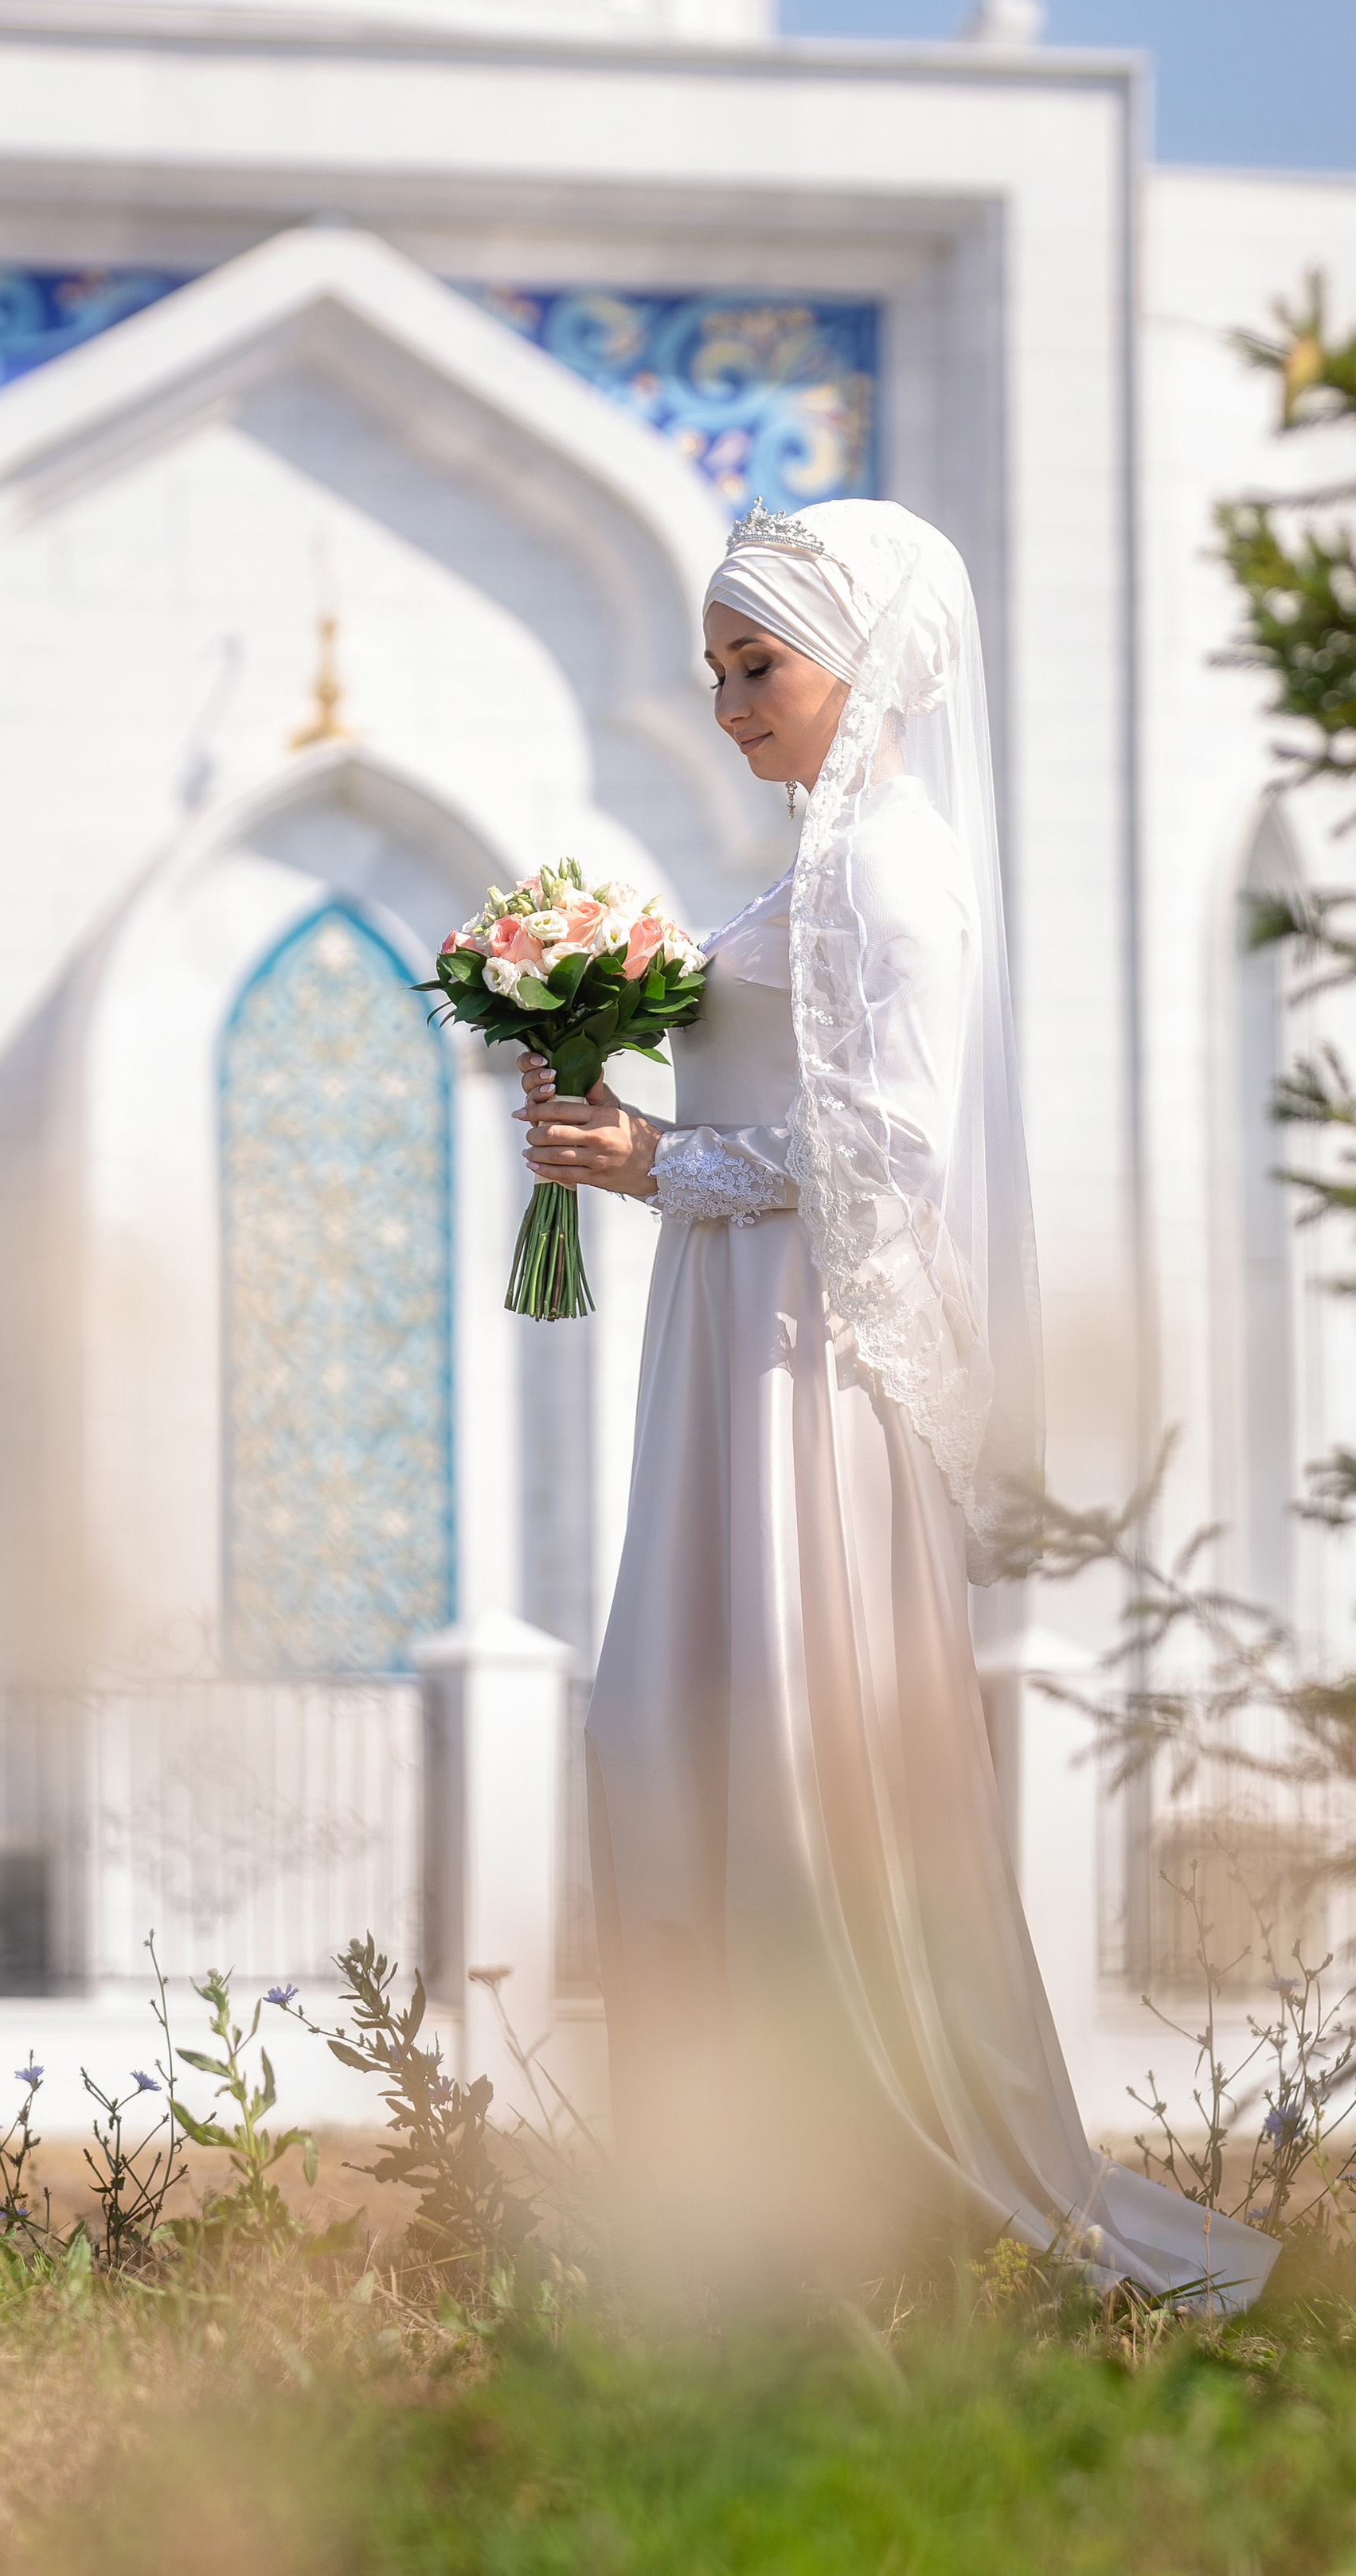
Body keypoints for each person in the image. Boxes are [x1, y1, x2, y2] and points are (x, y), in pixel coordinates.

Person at [517, 498, 1276, 2305]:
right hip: (734, 1329)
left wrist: (651, 1158)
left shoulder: (887, 869)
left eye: (755, 662)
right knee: (672, 1737)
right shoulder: (816, 869)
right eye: (713, 669)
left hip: (799, 1364)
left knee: (772, 1754)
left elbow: (888, 1155)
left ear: (870, 665)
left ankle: (850, 2185)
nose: (725, 701)